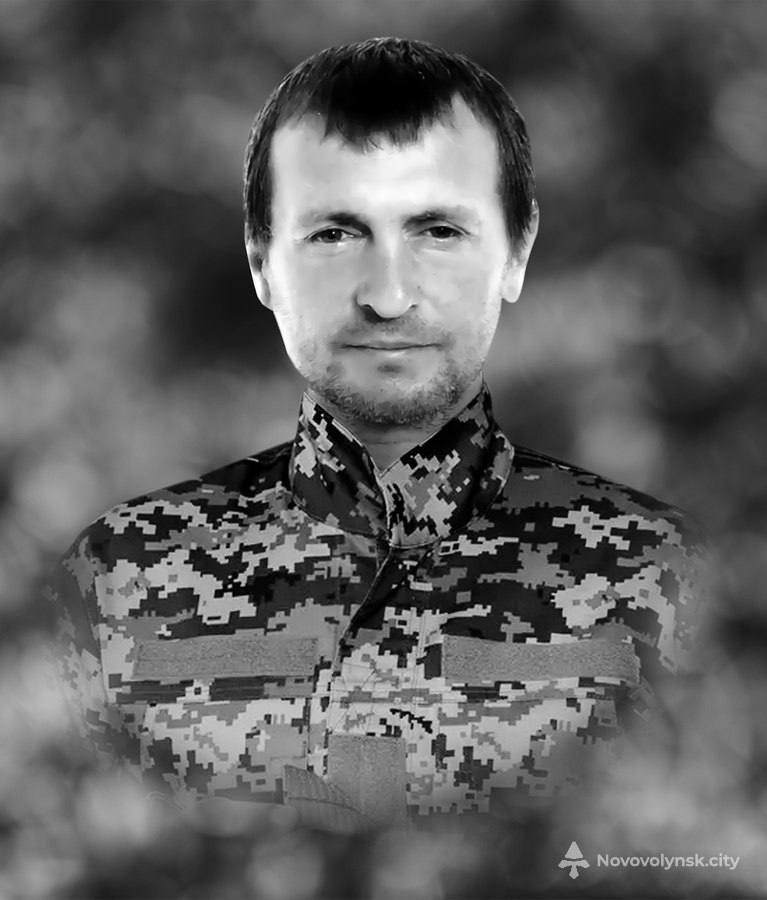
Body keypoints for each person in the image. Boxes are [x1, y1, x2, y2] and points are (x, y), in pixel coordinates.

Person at [48, 37, 704, 827]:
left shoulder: (662, 574)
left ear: (516, 251)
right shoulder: (118, 582)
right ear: (260, 261)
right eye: (334, 233)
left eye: (438, 231)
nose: (388, 296)